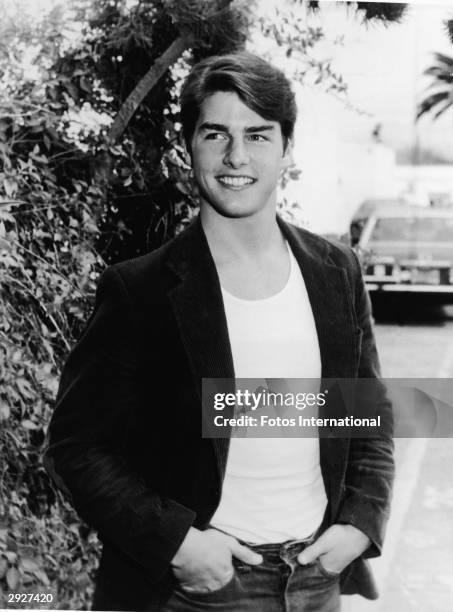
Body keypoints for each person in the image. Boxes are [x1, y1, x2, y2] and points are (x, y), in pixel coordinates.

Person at [44, 52, 394, 611]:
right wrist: (178, 545)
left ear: (286, 149)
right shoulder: (140, 291)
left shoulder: (336, 272)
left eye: (258, 135)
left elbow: (365, 419)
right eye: (216, 134)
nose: (237, 156)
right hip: (199, 589)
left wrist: (358, 524)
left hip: (317, 579)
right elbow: (77, 445)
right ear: (189, 145)